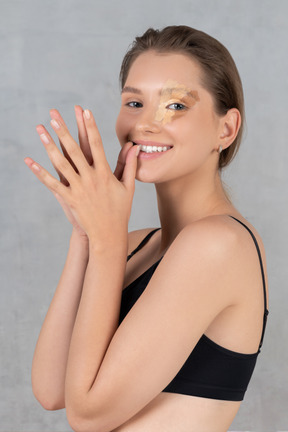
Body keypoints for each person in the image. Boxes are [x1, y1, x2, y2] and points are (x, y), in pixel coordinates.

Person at [24, 25, 269, 432]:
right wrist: (87, 233)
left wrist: (105, 240)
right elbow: (52, 390)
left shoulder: (219, 244)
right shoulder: (133, 244)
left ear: (225, 129)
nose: (146, 123)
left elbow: (87, 415)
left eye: (175, 105)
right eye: (134, 102)